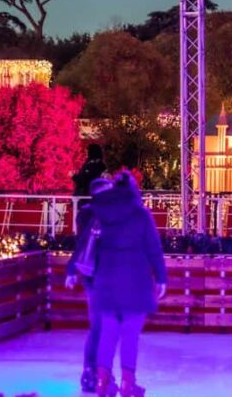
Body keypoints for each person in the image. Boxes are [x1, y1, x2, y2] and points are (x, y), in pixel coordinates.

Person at [87, 168, 167, 397]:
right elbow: (153, 248)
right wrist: (161, 277)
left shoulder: (100, 212)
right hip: (135, 281)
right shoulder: (141, 214)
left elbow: (92, 246)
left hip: (107, 280)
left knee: (108, 333)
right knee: (130, 334)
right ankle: (127, 384)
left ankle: (102, 383)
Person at [65, 177, 114, 392]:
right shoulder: (99, 214)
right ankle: (96, 372)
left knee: (101, 327)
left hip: (103, 277)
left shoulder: (91, 213)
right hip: (99, 277)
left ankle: (93, 372)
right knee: (101, 327)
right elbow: (84, 243)